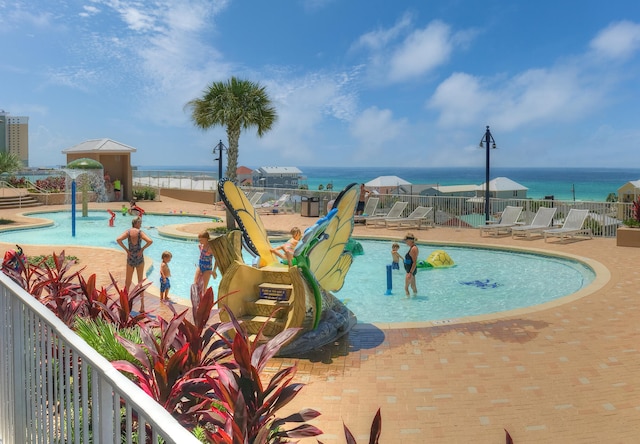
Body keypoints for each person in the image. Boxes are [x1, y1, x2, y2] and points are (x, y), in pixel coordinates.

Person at [116, 217, 153, 310]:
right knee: (140, 282)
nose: (140, 225)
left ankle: (125, 304)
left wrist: (127, 250)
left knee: (127, 282)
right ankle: (142, 306)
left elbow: (118, 240)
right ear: (136, 223)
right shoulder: (140, 233)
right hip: (139, 258)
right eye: (140, 223)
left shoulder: (128, 232)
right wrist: (142, 249)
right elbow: (150, 241)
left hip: (130, 258)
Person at [403, 233, 419, 297]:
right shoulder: (413, 247)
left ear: (410, 241)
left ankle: (407, 301)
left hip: (410, 270)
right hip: (410, 270)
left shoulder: (413, 249)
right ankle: (415, 297)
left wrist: (410, 273)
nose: (405, 242)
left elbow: (414, 262)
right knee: (413, 286)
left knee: (406, 287)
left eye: (406, 241)